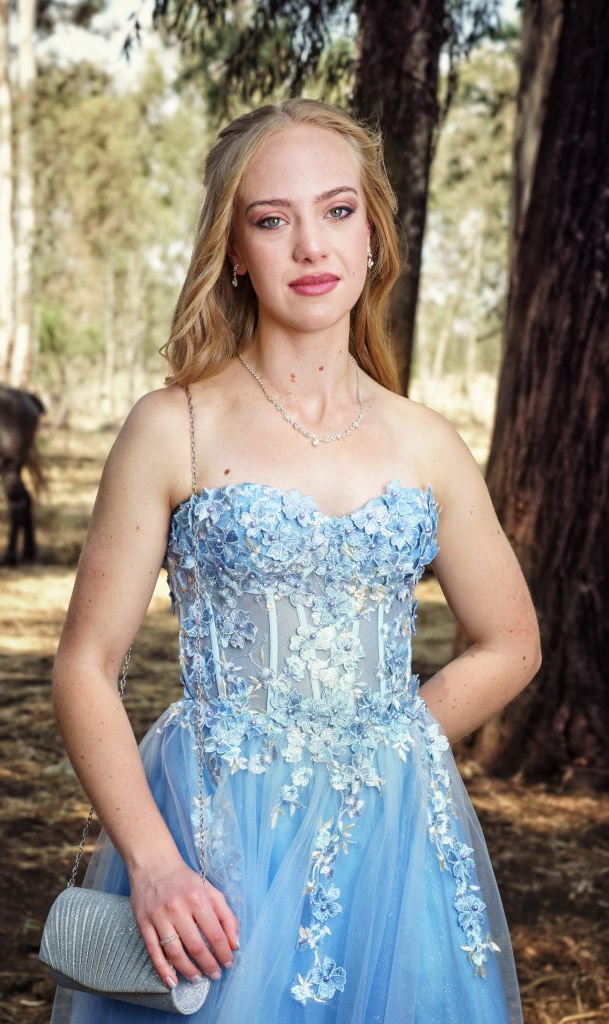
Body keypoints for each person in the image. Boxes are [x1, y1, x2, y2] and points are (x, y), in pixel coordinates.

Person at [48, 98, 540, 1024]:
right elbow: (84, 665)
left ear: (370, 234)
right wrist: (154, 864)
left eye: (337, 211)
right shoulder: (174, 428)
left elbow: (511, 641)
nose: (311, 246)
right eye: (273, 221)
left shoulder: (425, 442)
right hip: (215, 839)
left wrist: (385, 749)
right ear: (235, 249)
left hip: (387, 840)